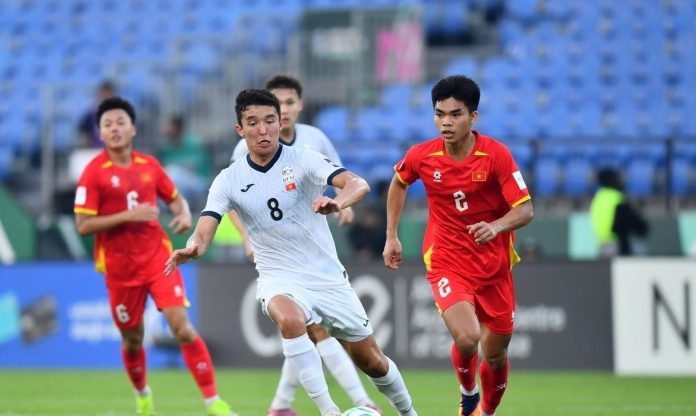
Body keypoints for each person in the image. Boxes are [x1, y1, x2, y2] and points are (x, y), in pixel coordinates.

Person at [165, 89, 418, 416]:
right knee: (289, 318)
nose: (262, 130)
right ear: (240, 130)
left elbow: (358, 184)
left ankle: (409, 412)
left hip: (326, 276)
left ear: (280, 122)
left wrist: (338, 202)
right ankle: (329, 411)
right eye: (252, 123)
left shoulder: (303, 159)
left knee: (372, 361)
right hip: (278, 276)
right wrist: (193, 249)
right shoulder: (228, 180)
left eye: (269, 121)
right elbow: (204, 230)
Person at [73, 97, 235, 416]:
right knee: (133, 340)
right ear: (100, 134)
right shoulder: (93, 174)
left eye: (120, 122)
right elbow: (83, 225)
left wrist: (183, 213)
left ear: (132, 129)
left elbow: (175, 199)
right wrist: (128, 215)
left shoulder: (149, 165)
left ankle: (213, 402)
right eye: (107, 125)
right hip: (120, 269)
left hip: (158, 260)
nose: (115, 129)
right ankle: (143, 396)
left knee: (182, 328)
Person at [382, 75, 533, 416]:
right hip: (447, 260)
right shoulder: (422, 155)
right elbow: (399, 182)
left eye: (455, 114)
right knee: (467, 338)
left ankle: (486, 412)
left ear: (473, 117)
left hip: (494, 268)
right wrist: (392, 235)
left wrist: (495, 226)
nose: (446, 123)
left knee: (496, 355)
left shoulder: (496, 155)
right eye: (440, 114)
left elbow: (525, 210)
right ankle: (468, 395)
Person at [227, 75, 375, 416]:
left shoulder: (314, 140)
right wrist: (247, 238)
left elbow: (339, 176)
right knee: (313, 328)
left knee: (305, 331)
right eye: (277, 103)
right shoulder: (246, 148)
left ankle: (280, 406)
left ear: (297, 106)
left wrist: (344, 204)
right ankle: (362, 402)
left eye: (289, 103)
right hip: (277, 254)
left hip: (314, 248)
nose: (284, 110)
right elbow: (230, 198)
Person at [589, 168, 649, 257]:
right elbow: (635, 225)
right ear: (612, 181)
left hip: (602, 245)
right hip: (617, 245)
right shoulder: (617, 198)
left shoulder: (598, 197)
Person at [159, 114, 212, 211]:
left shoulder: (193, 142)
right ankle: (172, 211)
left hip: (199, 181)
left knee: (171, 173)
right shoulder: (167, 145)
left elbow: (194, 166)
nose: (166, 129)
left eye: (169, 126)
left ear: (177, 128)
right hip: (182, 184)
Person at [77, 80, 116, 148]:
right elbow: (83, 135)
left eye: (108, 96)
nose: (105, 99)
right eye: (103, 96)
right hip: (95, 150)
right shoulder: (90, 116)